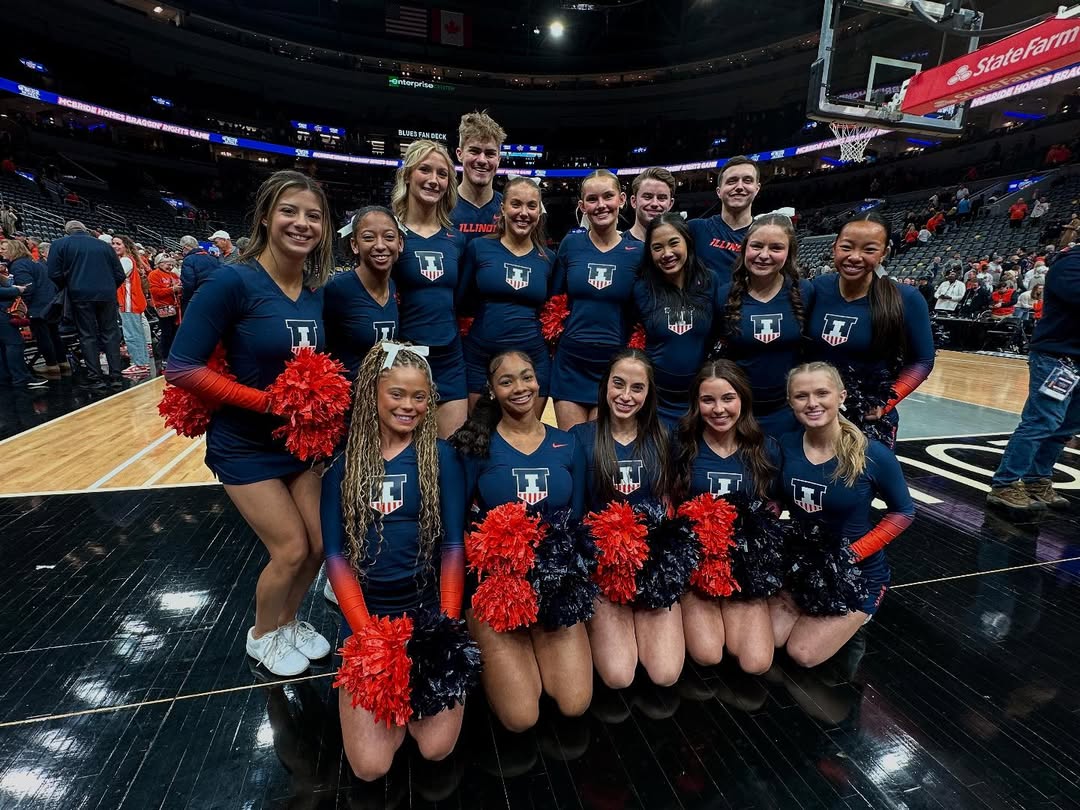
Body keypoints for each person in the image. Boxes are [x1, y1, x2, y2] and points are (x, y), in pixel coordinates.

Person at [165, 170, 336, 677]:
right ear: (265, 217)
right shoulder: (231, 281)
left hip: (297, 444)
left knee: (321, 543)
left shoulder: (315, 290)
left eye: (313, 216)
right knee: (291, 548)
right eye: (289, 211)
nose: (302, 223)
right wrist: (266, 404)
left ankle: (287, 622)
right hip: (243, 444)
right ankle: (261, 635)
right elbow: (181, 366)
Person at [321, 342, 467, 780]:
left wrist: (444, 630)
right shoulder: (342, 467)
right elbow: (335, 556)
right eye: (397, 394)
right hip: (369, 619)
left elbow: (453, 546)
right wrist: (366, 637)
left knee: (436, 749)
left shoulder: (442, 457)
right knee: (370, 767)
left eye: (419, 396)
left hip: (426, 615)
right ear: (373, 393)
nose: (409, 406)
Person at [450, 350, 590, 731]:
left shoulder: (568, 445)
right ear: (491, 390)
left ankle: (537, 647)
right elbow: (457, 530)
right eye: (506, 381)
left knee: (575, 702)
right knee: (521, 717)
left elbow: (575, 522)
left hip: (553, 588)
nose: (520, 387)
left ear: (538, 381)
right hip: (496, 590)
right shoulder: (474, 448)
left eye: (526, 377)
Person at [771, 362, 914, 667]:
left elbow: (903, 513)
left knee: (802, 653)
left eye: (822, 393)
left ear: (842, 396)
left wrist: (851, 554)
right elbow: (777, 499)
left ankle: (864, 613)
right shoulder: (784, 444)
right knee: (770, 640)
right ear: (790, 402)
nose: (812, 403)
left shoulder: (873, 453)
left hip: (856, 572)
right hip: (803, 565)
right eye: (801, 396)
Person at [569, 350, 683, 687]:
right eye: (618, 384)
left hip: (651, 565)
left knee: (665, 673)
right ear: (605, 386)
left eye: (637, 388)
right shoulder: (580, 437)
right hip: (603, 568)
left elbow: (670, 504)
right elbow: (575, 514)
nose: (626, 396)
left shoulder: (665, 436)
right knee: (619, 675)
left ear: (649, 393)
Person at [669, 360, 781, 674]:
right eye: (708, 400)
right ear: (696, 404)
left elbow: (774, 505)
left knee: (756, 662)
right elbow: (669, 503)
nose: (718, 409)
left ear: (743, 398)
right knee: (708, 654)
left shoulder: (766, 449)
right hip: (695, 567)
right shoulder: (681, 446)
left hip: (743, 567)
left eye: (728, 398)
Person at [806, 212, 935, 447]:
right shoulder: (815, 288)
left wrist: (886, 401)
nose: (855, 257)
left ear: (884, 253)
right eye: (846, 247)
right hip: (812, 414)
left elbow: (923, 360)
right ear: (834, 248)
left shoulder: (907, 298)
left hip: (867, 422)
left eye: (869, 250)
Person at [987, 247, 1080, 511]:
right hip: (1058, 359)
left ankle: (1037, 479)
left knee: (1066, 427)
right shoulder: (1070, 264)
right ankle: (1005, 484)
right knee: (1042, 421)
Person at [550, 170, 643, 429]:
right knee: (573, 445)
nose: (601, 205)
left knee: (600, 448)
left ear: (621, 199)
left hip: (614, 367)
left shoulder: (637, 252)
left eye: (608, 196)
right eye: (592, 199)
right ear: (582, 206)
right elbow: (554, 300)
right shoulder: (570, 244)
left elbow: (641, 311)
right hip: (571, 364)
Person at [391, 139, 467, 438]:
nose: (434, 180)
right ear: (408, 175)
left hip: (450, 358)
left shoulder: (456, 239)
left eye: (442, 174)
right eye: (425, 170)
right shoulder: (390, 234)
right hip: (404, 359)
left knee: (451, 453)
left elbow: (460, 298)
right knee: (405, 453)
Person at [460, 177, 554, 416]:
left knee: (525, 432)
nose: (523, 213)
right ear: (502, 208)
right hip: (480, 358)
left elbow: (552, 311)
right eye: (516, 204)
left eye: (531, 206)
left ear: (539, 211)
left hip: (533, 361)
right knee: (478, 432)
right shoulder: (478, 248)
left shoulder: (549, 259)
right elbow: (460, 301)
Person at [712, 212, 811, 437]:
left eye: (776, 248)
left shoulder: (806, 292)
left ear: (789, 252)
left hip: (789, 412)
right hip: (738, 412)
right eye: (756, 246)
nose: (764, 255)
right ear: (744, 248)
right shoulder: (723, 296)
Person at [634, 213, 717, 426]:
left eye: (674, 243)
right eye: (657, 247)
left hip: (700, 400)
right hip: (656, 401)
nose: (667, 253)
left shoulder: (710, 281)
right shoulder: (642, 289)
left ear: (687, 242)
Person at [46, 219, 125, 390]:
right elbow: (119, 274)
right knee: (111, 334)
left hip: (79, 294)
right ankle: (116, 376)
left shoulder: (59, 244)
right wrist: (109, 288)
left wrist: (69, 285)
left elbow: (53, 273)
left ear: (67, 231)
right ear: (85, 229)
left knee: (87, 335)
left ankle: (95, 378)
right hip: (106, 294)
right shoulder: (104, 246)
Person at [324, 206, 400, 380]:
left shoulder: (396, 287)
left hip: (383, 392)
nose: (380, 245)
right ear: (354, 245)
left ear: (400, 243)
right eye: (368, 238)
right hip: (347, 393)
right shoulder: (337, 289)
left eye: (389, 237)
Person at [688, 156, 760, 284]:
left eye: (747, 180)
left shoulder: (765, 236)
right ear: (719, 191)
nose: (739, 186)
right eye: (732, 181)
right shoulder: (694, 229)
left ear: (757, 189)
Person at [3, 238, 64, 376]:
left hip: (37, 306)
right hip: (49, 302)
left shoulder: (18, 265)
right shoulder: (33, 262)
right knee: (54, 335)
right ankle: (62, 363)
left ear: (13, 250)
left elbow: (27, 288)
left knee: (43, 336)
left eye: (4, 249)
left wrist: (24, 307)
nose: (1, 252)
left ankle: (51, 365)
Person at [451, 111, 505, 243]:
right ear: (459, 154)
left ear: (498, 159)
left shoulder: (508, 210)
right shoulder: (441, 206)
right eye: (474, 151)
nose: (482, 160)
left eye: (490, 154)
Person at [113, 235, 152, 377]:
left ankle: (139, 364)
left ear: (126, 246)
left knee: (131, 334)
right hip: (133, 301)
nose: (115, 246)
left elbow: (115, 277)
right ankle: (143, 362)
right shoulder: (129, 259)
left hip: (129, 301)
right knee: (137, 333)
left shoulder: (125, 260)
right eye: (113, 243)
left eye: (118, 243)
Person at [148, 252, 183, 363]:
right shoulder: (154, 274)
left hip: (176, 307)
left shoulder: (174, 275)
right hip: (163, 307)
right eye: (168, 264)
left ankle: (174, 354)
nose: (170, 266)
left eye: (172, 264)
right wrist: (172, 289)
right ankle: (165, 356)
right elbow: (155, 292)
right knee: (167, 332)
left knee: (175, 331)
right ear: (159, 263)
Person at [627, 167, 676, 243]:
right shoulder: (616, 246)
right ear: (634, 201)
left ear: (670, 204)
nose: (654, 203)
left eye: (661, 198)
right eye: (647, 197)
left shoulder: (683, 244)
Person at [179, 234, 220, 311]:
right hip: (215, 296)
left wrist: (184, 299)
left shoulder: (189, 259)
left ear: (186, 247)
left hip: (197, 299)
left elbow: (188, 284)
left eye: (182, 248)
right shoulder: (213, 258)